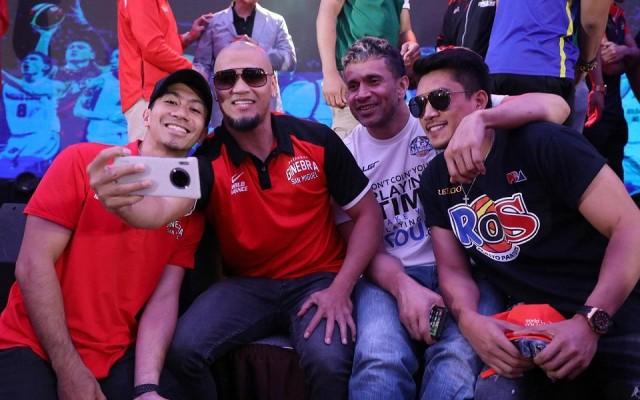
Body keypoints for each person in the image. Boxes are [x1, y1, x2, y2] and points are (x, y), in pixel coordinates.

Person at [88, 41, 382, 400]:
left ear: (273, 85)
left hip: (318, 280)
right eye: (227, 79)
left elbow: (368, 215)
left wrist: (341, 288)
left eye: (254, 76)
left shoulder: (315, 138)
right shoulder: (207, 159)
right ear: (217, 91)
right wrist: (120, 202)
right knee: (184, 350)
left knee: (328, 362)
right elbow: (160, 211)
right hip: (249, 286)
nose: (240, 88)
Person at [339, 38, 570, 399]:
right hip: (390, 277)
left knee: (458, 357)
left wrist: (481, 119)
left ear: (403, 85)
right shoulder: (347, 154)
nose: (361, 94)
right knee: (379, 358)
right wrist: (404, 288)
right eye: (352, 85)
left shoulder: (440, 113)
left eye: (373, 81)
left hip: (469, 269)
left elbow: (556, 106)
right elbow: (359, 243)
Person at [415, 48, 640, 399]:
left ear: (478, 102)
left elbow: (631, 226)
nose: (428, 113)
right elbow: (453, 271)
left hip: (614, 316)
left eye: (440, 99)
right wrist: (471, 321)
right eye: (419, 105)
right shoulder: (434, 179)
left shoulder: (541, 143)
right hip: (533, 335)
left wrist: (589, 323)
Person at [0, 69, 211, 400]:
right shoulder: (81, 160)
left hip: (114, 357)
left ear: (202, 132)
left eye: (196, 109)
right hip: (31, 345)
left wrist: (147, 388)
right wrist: (69, 367)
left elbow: (163, 299)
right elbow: (32, 264)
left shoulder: (189, 214)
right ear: (146, 113)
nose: (182, 112)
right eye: (170, 101)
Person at [316, 0, 420, 138]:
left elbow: (405, 29)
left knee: (399, 142)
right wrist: (330, 73)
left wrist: (411, 44)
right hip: (353, 82)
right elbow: (326, 14)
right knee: (351, 150)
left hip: (390, 81)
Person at [117, 0, 213, 141]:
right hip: (146, 97)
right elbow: (152, 48)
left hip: (159, 95)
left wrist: (188, 37)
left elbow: (158, 45)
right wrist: (192, 70)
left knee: (164, 160)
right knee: (148, 160)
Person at [193, 0, 296, 128]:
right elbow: (202, 64)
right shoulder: (213, 22)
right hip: (224, 111)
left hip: (266, 110)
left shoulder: (275, 21)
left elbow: (290, 61)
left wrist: (258, 48)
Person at [583, 1, 640, 178]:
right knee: (595, 166)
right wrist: (627, 55)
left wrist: (623, 51)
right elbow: (607, 63)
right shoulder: (594, 12)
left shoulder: (617, 13)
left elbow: (636, 53)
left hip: (615, 108)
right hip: (594, 105)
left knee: (616, 163)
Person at [0, 52, 65, 176]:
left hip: (43, 136)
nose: (27, 62)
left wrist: (3, 73)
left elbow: (32, 90)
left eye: (33, 59)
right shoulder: (8, 86)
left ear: (46, 67)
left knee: (26, 173)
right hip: (16, 138)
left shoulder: (54, 85)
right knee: (4, 174)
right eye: (25, 60)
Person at [73, 49, 128, 145]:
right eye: (112, 58)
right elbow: (78, 110)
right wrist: (108, 116)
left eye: (117, 57)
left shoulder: (141, 83)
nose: (113, 61)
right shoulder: (100, 81)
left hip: (127, 141)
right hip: (100, 139)